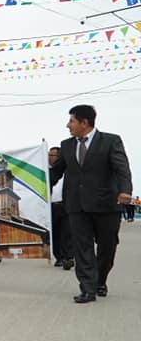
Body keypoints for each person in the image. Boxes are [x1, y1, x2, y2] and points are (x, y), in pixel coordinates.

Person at [49, 105, 132, 303]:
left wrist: (125, 190)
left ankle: (100, 280)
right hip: (76, 205)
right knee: (82, 247)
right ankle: (88, 288)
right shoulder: (66, 145)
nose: (68, 125)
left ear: (84, 122)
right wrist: (35, 188)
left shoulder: (110, 141)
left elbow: (122, 168)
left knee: (107, 246)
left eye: (71, 121)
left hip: (106, 205)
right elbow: (55, 172)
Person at [48, 147, 75, 270]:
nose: (49, 158)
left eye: (52, 155)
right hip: (52, 207)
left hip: (66, 205)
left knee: (67, 233)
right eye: (49, 155)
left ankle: (68, 257)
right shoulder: (46, 172)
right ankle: (59, 257)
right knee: (54, 233)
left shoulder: (68, 172)